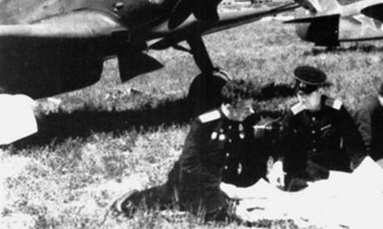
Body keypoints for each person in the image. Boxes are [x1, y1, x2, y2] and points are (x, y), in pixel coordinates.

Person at [111, 84, 267, 221]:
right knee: (214, 215)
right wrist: (214, 184)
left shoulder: (242, 122)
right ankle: (130, 201)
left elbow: (243, 155)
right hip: (192, 181)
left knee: (235, 205)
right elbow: (189, 163)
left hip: (219, 181)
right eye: (246, 108)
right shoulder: (205, 123)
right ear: (231, 106)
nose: (251, 111)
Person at [269, 66, 366, 191]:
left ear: (320, 91)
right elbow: (282, 144)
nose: (303, 99)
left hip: (332, 173)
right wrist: (278, 164)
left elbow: (355, 145)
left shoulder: (336, 111)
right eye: (300, 94)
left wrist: (363, 170)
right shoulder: (295, 114)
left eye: (308, 95)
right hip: (304, 176)